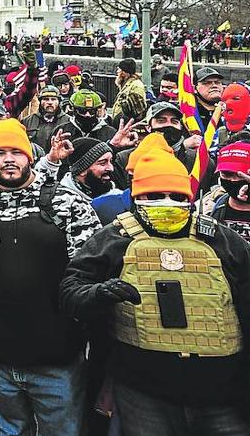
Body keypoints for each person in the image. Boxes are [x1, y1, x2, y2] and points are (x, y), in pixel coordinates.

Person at [60, 148, 250, 435]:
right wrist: (98, 295)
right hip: (144, 391)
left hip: (222, 392)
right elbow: (71, 288)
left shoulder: (223, 241)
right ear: (137, 199)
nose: (167, 203)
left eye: (177, 197)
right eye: (154, 196)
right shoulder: (114, 239)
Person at [0, 118, 101, 436]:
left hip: (57, 361)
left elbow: (89, 274)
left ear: (29, 155)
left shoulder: (67, 205)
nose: (8, 159)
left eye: (16, 151)